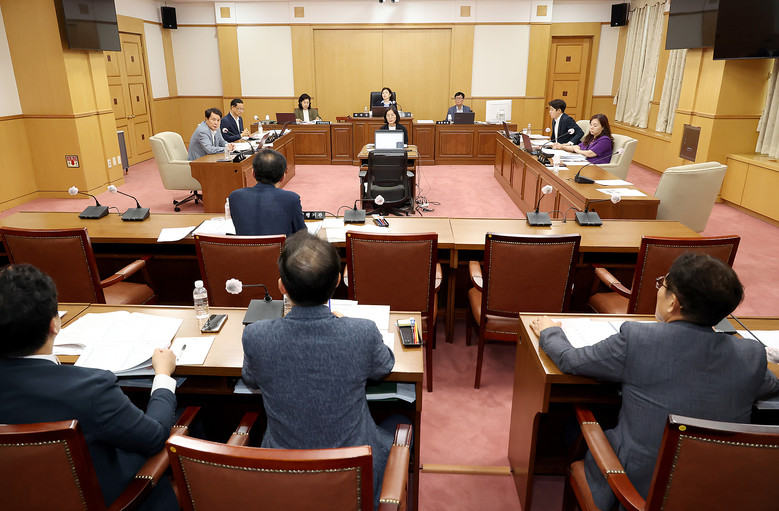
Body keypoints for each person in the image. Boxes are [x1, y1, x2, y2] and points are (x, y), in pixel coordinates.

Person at [530, 253, 779, 511]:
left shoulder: (638, 339)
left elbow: (570, 360)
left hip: (636, 494)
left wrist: (550, 331)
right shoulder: (750, 355)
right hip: (718, 493)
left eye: (663, 284)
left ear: (673, 303)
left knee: (577, 421)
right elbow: (769, 384)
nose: (659, 289)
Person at [0, 264, 180, 511]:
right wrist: (162, 375)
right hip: (111, 499)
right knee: (186, 420)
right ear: (54, 324)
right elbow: (154, 438)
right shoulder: (91, 389)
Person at [241, 231, 396, 510]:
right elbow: (383, 366)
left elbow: (250, 379)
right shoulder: (361, 332)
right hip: (352, 475)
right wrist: (347, 326)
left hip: (283, 474)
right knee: (398, 420)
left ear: (281, 286)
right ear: (337, 281)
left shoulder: (256, 335)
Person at [227, 148, 305, 236]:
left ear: (253, 173)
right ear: (282, 177)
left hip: (246, 245)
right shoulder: (291, 199)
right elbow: (302, 234)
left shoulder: (235, 197)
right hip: (281, 245)